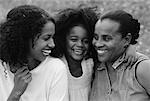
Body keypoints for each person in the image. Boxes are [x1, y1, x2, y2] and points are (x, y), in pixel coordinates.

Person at [0, 5, 68, 101]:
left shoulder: (55, 68)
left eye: (53, 37)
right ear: (24, 39)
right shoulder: (2, 68)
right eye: (46, 38)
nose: (52, 44)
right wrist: (15, 94)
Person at [89, 10, 150, 101]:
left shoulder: (141, 68)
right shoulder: (92, 65)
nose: (98, 44)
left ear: (127, 39)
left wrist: (132, 45)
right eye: (96, 37)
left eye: (107, 38)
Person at [52, 6, 98, 101]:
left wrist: (130, 47)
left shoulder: (90, 63)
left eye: (85, 41)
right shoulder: (57, 64)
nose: (80, 45)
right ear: (63, 39)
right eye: (74, 39)